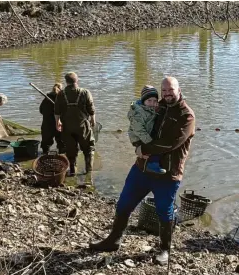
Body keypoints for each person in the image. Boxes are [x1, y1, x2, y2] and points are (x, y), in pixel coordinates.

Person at [89, 77, 195, 265]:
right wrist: (135, 133)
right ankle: (113, 240)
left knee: (164, 212)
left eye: (171, 90)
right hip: (142, 169)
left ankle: (165, 249)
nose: (167, 94)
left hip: (167, 174)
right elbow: (138, 118)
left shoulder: (187, 116)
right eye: (164, 91)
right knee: (123, 205)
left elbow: (171, 143)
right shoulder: (157, 106)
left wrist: (143, 149)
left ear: (179, 90)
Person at [54, 72, 96, 176]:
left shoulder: (61, 94)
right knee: (88, 148)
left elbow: (57, 111)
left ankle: (72, 170)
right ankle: (88, 172)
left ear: (66, 81)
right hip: (83, 126)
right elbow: (91, 109)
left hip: (67, 127)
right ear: (77, 80)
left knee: (70, 149)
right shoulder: (85, 92)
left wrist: (57, 122)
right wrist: (93, 120)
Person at [127, 85, 166, 174]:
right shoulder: (139, 113)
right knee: (153, 148)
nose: (152, 103)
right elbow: (138, 129)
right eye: (149, 101)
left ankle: (151, 163)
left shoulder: (149, 109)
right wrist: (149, 141)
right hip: (138, 137)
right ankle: (152, 164)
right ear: (143, 101)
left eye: (155, 101)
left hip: (143, 134)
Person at [40, 83, 65, 155]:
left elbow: (41, 110)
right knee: (61, 142)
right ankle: (62, 155)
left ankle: (45, 154)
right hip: (60, 124)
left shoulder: (46, 99)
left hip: (47, 124)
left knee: (46, 142)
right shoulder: (62, 98)